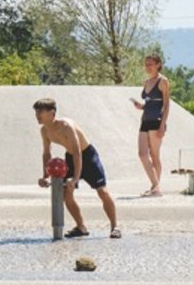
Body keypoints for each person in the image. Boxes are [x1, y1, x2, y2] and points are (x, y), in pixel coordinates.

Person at [34, 97, 120, 239]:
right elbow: (46, 153)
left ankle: (114, 226)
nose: (37, 115)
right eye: (36, 112)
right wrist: (45, 176)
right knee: (67, 193)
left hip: (87, 156)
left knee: (102, 191)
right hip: (71, 157)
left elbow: (78, 151)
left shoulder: (67, 126)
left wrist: (75, 178)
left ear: (52, 113)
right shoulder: (44, 131)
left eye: (41, 112)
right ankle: (81, 226)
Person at [131, 53, 170, 197]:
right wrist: (140, 106)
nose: (148, 67)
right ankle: (156, 186)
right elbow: (149, 103)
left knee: (154, 155)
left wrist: (162, 125)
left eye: (151, 64)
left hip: (156, 121)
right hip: (145, 120)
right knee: (142, 154)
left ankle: (155, 187)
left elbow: (166, 105)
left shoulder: (163, 81)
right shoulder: (146, 82)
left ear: (158, 64)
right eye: (146, 64)